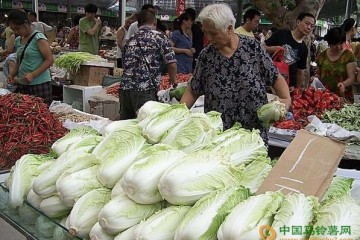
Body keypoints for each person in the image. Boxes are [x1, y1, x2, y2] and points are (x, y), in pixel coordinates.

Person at [179, 3, 291, 144]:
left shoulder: (252, 48)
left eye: (213, 33)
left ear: (229, 29)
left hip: (252, 135)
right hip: (218, 136)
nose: (207, 38)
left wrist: (286, 100)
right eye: (205, 32)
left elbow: (275, 77)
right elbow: (193, 89)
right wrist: (178, 115)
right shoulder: (206, 56)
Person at [120, 10, 177, 120]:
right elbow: (172, 63)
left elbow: (125, 63)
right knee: (145, 126)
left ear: (138, 24)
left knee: (127, 126)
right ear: (154, 22)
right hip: (145, 90)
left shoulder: (131, 38)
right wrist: (173, 79)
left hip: (125, 89)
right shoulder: (160, 37)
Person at [7, 10, 54, 105]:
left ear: (25, 23)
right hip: (23, 84)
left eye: (17, 28)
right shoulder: (18, 40)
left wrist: (33, 74)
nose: (16, 32)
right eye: (13, 29)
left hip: (39, 84)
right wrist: (12, 74)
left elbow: (49, 60)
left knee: (41, 114)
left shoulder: (38, 38)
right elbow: (19, 60)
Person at [265, 12, 315, 88]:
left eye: (312, 26)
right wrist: (273, 49)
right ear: (298, 22)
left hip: (288, 87)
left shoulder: (304, 48)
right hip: (270, 82)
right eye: (307, 23)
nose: (309, 28)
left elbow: (300, 72)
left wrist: (297, 90)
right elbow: (262, 47)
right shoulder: (281, 34)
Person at [313, 27, 357, 102]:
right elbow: (319, 73)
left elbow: (352, 78)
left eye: (341, 43)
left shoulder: (348, 55)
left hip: (343, 95)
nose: (339, 47)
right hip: (325, 96)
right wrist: (315, 78)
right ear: (329, 43)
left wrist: (343, 84)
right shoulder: (322, 56)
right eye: (335, 44)